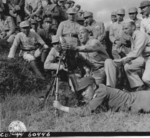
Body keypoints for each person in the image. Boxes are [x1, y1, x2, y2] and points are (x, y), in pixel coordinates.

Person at [53, 76, 150, 116]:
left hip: (139, 101)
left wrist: (61, 107)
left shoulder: (101, 93)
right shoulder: (99, 90)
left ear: (94, 86)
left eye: (85, 89)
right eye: (81, 91)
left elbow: (86, 111)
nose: (83, 93)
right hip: (137, 97)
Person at [105, 21, 150, 90]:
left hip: (148, 57)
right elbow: (133, 53)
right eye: (123, 29)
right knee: (128, 66)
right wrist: (122, 54)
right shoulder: (132, 36)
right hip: (145, 58)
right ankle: (139, 86)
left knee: (146, 78)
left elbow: (136, 53)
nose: (124, 31)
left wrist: (121, 60)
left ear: (133, 27)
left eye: (126, 28)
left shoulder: (140, 35)